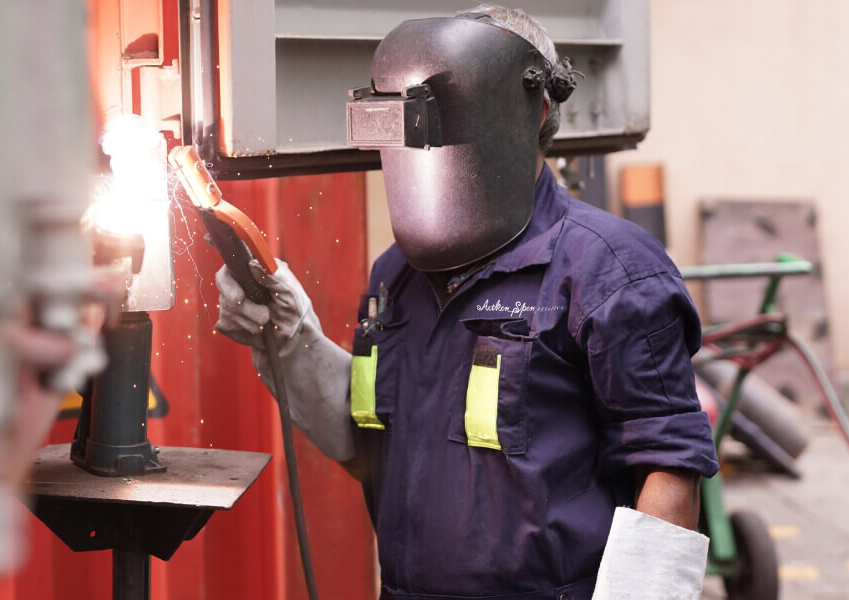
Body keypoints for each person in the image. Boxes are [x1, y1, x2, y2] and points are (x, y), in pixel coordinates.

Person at [215, 5, 718, 599]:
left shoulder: (609, 270)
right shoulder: (393, 278)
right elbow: (371, 452)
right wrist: (293, 342)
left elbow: (669, 469)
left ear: (538, 110)